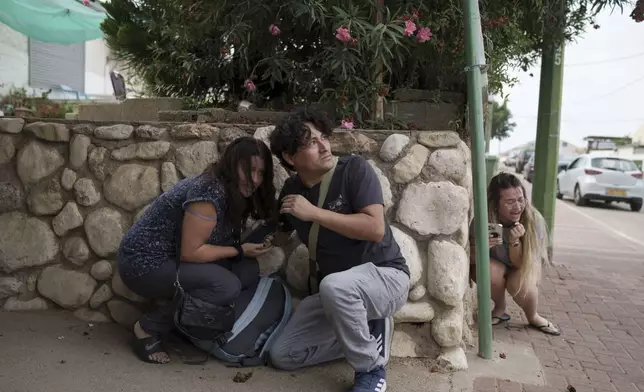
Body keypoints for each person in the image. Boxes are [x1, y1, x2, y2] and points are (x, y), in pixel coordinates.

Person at [267, 110, 410, 392]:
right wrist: (265, 242)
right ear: (290, 157)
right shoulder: (291, 189)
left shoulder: (354, 170)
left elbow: (375, 228)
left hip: (386, 277)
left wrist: (315, 213)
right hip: (338, 294)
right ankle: (367, 334)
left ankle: (370, 368)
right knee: (283, 355)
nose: (324, 146)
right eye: (311, 143)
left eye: (323, 137)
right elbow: (282, 233)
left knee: (333, 286)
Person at [116, 137, 277, 364]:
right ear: (232, 164)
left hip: (174, 260)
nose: (255, 180)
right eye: (249, 170)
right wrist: (239, 250)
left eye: (261, 173)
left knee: (247, 270)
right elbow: (191, 253)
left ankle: (187, 321)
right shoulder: (209, 192)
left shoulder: (233, 190)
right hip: (144, 264)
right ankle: (147, 328)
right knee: (226, 286)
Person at [469, 172, 561, 335]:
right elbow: (471, 261)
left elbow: (522, 265)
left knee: (519, 285)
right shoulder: (485, 220)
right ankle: (499, 307)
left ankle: (533, 315)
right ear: (496, 204)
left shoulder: (534, 221)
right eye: (510, 202)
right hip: (495, 267)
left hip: (520, 267)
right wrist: (481, 249)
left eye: (520, 200)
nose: (517, 207)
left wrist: (514, 242)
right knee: (487, 271)